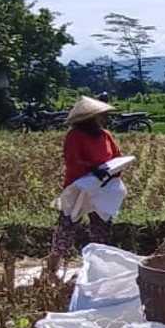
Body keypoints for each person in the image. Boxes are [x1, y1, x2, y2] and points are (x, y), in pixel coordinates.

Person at [50, 95, 122, 266]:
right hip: (79, 186)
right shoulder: (74, 135)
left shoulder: (105, 135)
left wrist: (113, 172)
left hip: (102, 187)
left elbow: (117, 156)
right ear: (90, 118)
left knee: (101, 226)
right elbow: (73, 161)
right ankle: (54, 264)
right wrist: (92, 169)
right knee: (68, 223)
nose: (104, 119)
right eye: (101, 116)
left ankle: (97, 264)